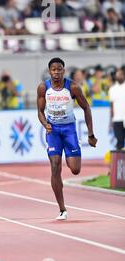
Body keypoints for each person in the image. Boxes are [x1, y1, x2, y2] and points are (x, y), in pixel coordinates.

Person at [37, 58, 97, 221]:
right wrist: (45, 124)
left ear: (64, 71)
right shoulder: (44, 88)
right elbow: (40, 111)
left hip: (69, 130)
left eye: (59, 69)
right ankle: (62, 208)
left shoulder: (73, 87)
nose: (56, 72)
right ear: (49, 71)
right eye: (54, 70)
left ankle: (69, 156)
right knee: (55, 167)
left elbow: (86, 108)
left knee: (75, 169)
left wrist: (90, 134)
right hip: (53, 131)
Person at [108, 68, 125, 150]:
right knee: (119, 140)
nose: (118, 76)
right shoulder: (112, 89)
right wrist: (111, 121)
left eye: (120, 74)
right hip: (117, 119)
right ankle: (120, 161)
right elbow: (111, 106)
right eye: (117, 74)